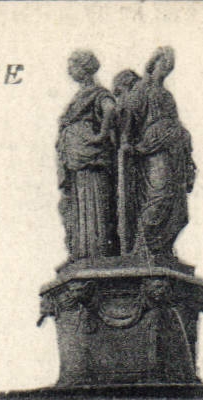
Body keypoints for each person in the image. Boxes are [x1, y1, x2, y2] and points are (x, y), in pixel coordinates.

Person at [118, 47, 195, 257]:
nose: (166, 69)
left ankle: (161, 248)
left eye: (170, 66)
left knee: (176, 205)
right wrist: (125, 141)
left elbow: (175, 121)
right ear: (153, 64)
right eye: (164, 64)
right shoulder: (143, 89)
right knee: (158, 196)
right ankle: (143, 248)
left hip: (174, 150)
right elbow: (128, 116)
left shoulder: (167, 95)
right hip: (154, 148)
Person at [56, 49, 118, 261]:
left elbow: (111, 109)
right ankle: (82, 251)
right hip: (76, 158)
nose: (68, 70)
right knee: (76, 202)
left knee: (92, 199)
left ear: (84, 68)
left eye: (72, 65)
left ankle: (94, 251)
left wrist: (100, 135)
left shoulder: (97, 92)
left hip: (90, 157)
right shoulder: (81, 95)